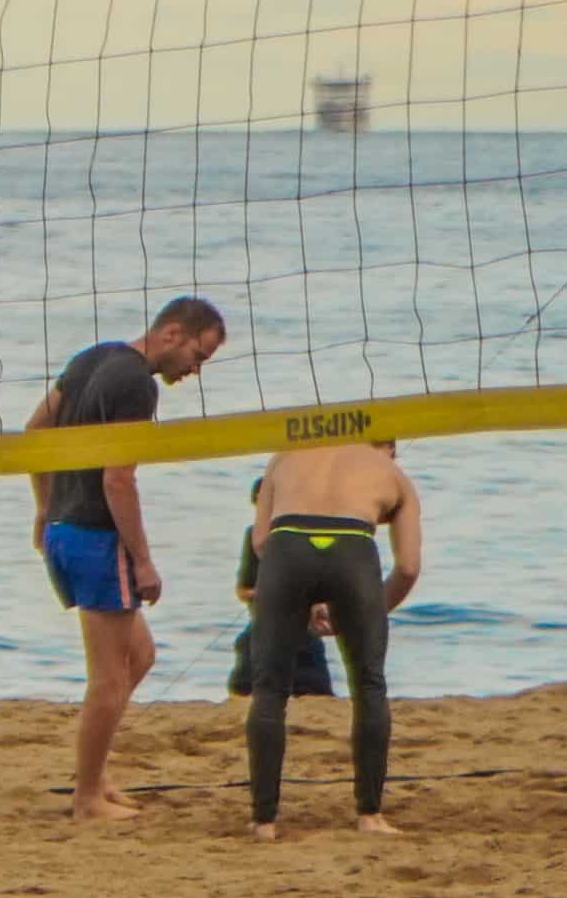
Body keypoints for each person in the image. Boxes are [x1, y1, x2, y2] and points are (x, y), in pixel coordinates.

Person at [26, 297, 230, 823]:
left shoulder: (93, 357)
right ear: (172, 333)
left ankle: (93, 775)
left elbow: (34, 433)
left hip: (64, 533)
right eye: (197, 356)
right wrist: (143, 561)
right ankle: (87, 799)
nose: (194, 371)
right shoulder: (138, 384)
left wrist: (44, 509)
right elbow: (118, 478)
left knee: (139, 658)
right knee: (110, 679)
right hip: (95, 537)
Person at [237, 428, 419, 839]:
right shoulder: (392, 474)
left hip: (288, 546)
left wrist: (303, 597)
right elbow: (407, 567)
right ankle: (369, 815)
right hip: (353, 549)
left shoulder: (285, 456)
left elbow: (262, 541)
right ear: (386, 445)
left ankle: (263, 820)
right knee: (369, 685)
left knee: (269, 690)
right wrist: (369, 609)